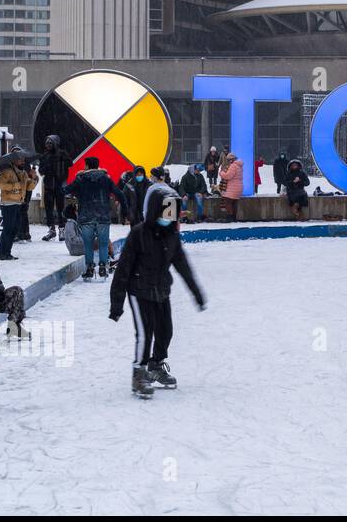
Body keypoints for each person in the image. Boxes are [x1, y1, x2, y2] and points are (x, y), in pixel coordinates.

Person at [109, 188, 206, 398]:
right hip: (138, 289)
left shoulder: (171, 236)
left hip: (161, 288)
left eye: (173, 211)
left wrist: (196, 293)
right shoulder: (139, 234)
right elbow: (123, 270)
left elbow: (183, 266)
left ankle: (155, 365)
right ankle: (139, 373)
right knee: (145, 333)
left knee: (165, 331)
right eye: (166, 210)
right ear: (155, 210)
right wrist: (116, 304)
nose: (169, 216)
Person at [64, 156, 125, 280]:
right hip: (103, 216)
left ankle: (90, 269)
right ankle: (103, 267)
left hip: (86, 216)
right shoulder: (105, 178)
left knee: (88, 244)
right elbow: (119, 193)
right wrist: (125, 209)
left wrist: (59, 189)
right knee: (103, 243)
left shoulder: (81, 179)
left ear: (87, 166)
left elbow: (67, 190)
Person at [0, 151, 34, 262]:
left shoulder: (23, 173)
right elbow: (0, 185)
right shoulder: (7, 172)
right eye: (20, 160)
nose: (22, 161)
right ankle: (3, 253)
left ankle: (8, 252)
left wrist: (33, 178)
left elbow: (29, 187)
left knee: (15, 229)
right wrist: (15, 185)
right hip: (8, 204)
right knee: (8, 229)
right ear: (14, 161)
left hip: (18, 203)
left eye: (23, 160)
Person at [38, 133, 70, 242]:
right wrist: (47, 166)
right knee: (49, 209)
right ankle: (51, 229)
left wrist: (59, 160)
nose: (47, 145)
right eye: (46, 142)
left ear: (55, 143)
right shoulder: (44, 155)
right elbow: (41, 171)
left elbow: (69, 164)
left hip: (59, 184)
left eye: (50, 142)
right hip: (48, 185)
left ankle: (62, 229)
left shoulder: (62, 154)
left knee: (61, 208)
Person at [217, 154, 242, 222]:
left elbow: (228, 176)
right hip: (238, 187)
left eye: (228, 160)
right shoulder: (239, 165)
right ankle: (234, 217)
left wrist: (221, 173)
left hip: (232, 188)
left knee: (227, 201)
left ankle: (230, 217)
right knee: (233, 202)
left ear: (231, 159)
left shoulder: (233, 166)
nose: (228, 161)